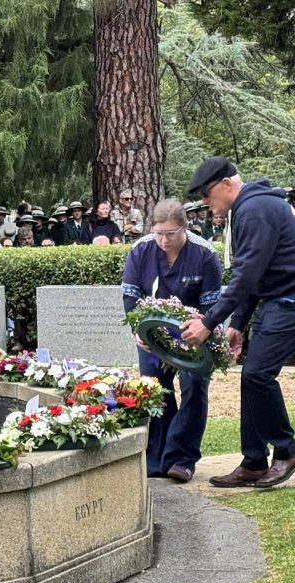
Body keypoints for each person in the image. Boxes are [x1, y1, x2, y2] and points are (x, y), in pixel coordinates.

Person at [180, 157, 295, 489]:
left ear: (226, 184)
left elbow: (247, 275)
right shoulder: (249, 207)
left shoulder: (255, 209)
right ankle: (253, 461)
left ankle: (287, 452)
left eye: (207, 194)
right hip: (279, 295)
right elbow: (251, 272)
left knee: (259, 374)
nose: (205, 203)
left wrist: (209, 322)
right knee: (252, 377)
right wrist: (238, 324)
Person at [122, 199, 224, 482]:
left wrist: (203, 330)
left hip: (196, 334)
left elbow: (212, 305)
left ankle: (182, 458)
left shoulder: (205, 254)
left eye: (171, 234)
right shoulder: (140, 250)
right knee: (156, 390)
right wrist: (138, 331)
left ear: (185, 228)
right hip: (152, 335)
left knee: (193, 388)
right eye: (158, 233)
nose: (163, 240)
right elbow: (131, 295)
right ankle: (156, 458)